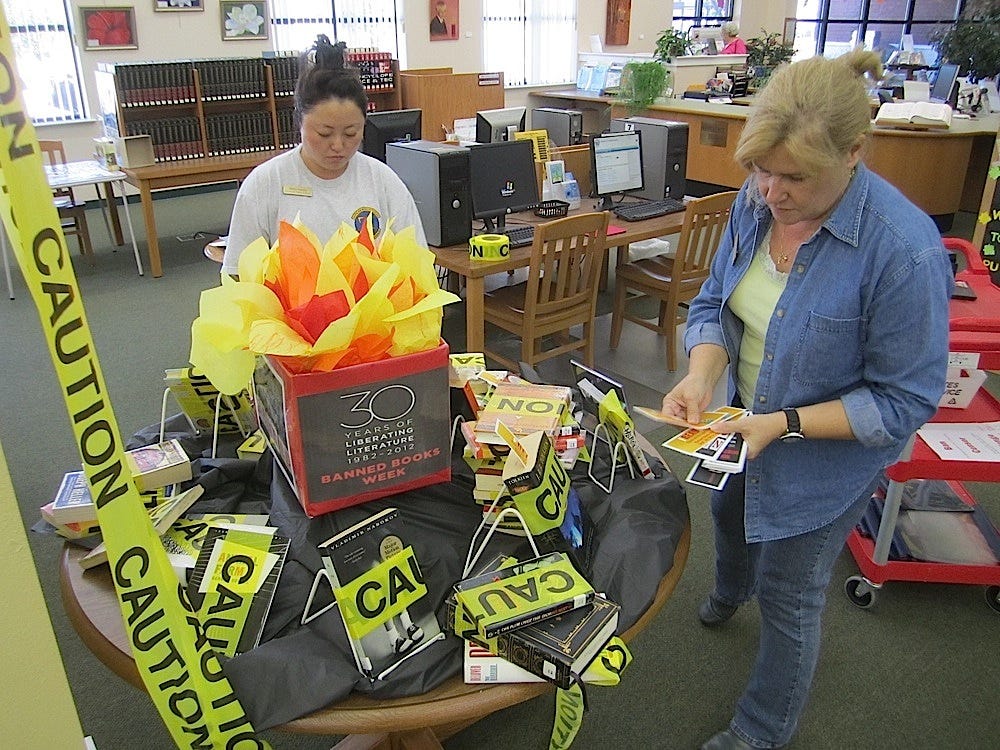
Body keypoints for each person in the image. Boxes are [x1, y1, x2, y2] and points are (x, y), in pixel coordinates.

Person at [660, 49, 952, 750]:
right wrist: (703, 373)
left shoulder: (903, 251)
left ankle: (760, 731)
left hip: (825, 461)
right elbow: (713, 305)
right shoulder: (755, 202)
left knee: (792, 595)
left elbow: (903, 402)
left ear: (854, 152)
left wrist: (785, 424)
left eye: (794, 176)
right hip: (743, 425)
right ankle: (732, 590)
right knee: (729, 511)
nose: (772, 191)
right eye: (761, 170)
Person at [222, 35, 426, 277]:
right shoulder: (265, 183)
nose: (338, 145)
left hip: (372, 312)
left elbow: (416, 266)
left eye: (351, 133)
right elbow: (238, 273)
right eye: (324, 133)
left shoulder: (382, 181)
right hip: (286, 314)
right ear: (299, 122)